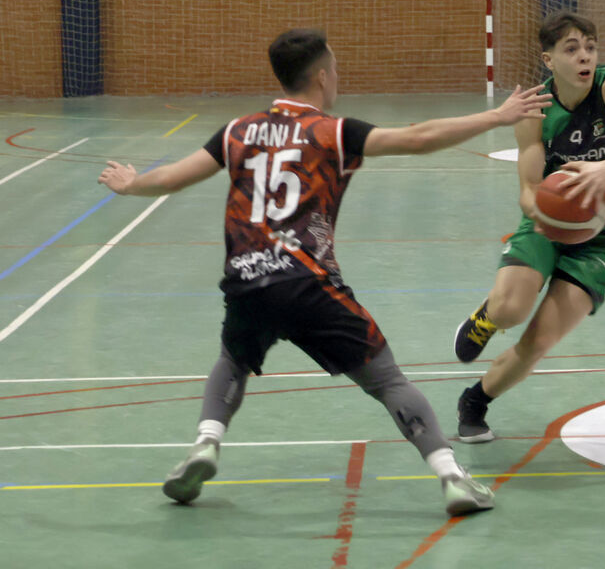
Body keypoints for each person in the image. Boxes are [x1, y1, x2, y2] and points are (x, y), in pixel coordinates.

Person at [98, 28, 551, 515]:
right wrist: (497, 115)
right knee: (387, 380)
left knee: (233, 358)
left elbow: (172, 177)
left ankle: (206, 443)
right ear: (320, 76)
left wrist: (132, 184)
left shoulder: (237, 131)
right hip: (308, 283)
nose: (337, 76)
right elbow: (417, 138)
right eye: (334, 68)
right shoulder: (333, 132)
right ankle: (451, 477)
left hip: (247, 281)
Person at [451, 11, 605, 442]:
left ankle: (475, 400)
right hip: (549, 222)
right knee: (510, 309)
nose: (584, 57)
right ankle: (488, 315)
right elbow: (528, 187)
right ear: (548, 60)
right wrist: (540, 214)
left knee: (538, 341)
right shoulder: (535, 110)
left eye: (590, 48)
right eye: (572, 49)